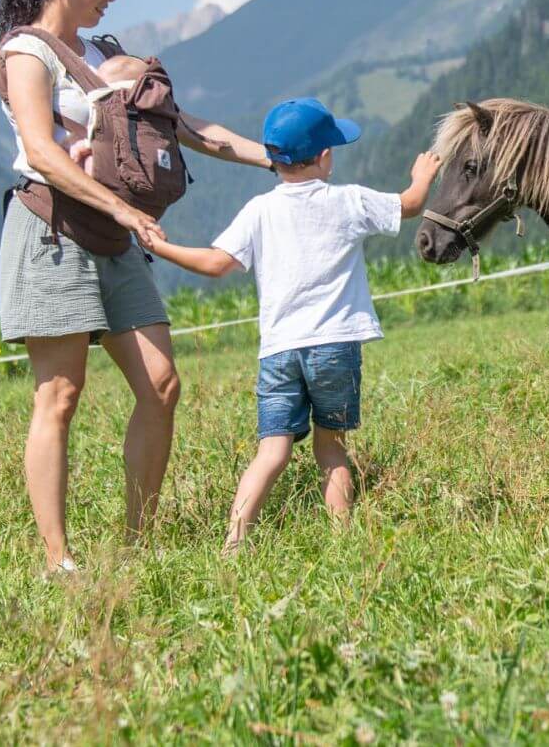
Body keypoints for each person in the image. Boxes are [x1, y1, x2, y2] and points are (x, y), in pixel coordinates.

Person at [0, 0, 274, 574]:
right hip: (52, 229)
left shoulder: (104, 54)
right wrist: (123, 209)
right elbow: (41, 151)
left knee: (161, 383)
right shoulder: (26, 53)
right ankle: (59, 560)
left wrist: (272, 156)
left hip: (116, 237)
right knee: (60, 393)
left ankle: (135, 544)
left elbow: (183, 125)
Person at [144, 97, 442, 552]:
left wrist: (161, 247)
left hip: (279, 351)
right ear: (324, 156)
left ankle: (235, 540)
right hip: (335, 346)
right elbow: (411, 204)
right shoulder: (348, 200)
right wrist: (423, 175)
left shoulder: (259, 210)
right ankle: (342, 541)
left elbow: (215, 263)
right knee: (331, 447)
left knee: (272, 451)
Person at [65, 53, 150, 177]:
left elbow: (98, 132)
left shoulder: (108, 107)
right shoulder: (147, 107)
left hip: (111, 166)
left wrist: (83, 146)